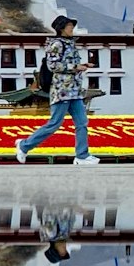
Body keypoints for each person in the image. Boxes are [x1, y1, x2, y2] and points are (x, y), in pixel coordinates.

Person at [16, 16, 101, 166]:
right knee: (54, 123)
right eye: (69, 26)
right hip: (61, 91)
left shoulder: (69, 43)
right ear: (61, 28)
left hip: (74, 90)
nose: (71, 28)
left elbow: (67, 64)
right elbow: (53, 66)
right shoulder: (56, 44)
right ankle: (24, 145)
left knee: (82, 123)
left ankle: (82, 155)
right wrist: (75, 68)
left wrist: (81, 65)